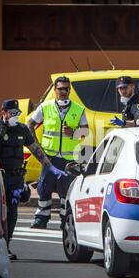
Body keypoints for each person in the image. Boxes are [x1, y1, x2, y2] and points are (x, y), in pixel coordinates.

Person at [0, 99, 66, 260]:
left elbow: (35, 149)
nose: (15, 116)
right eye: (12, 113)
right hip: (0, 177)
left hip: (16, 177)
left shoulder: (22, 129)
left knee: (12, 211)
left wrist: (50, 167)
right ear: (3, 112)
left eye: (17, 113)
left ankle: (6, 245)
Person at [27, 76, 89, 229]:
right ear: (55, 90)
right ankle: (41, 219)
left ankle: (65, 221)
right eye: (60, 89)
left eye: (67, 89)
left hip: (69, 159)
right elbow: (30, 124)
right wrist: (37, 146)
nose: (64, 92)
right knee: (44, 188)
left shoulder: (78, 109)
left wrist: (73, 132)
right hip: (49, 156)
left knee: (66, 192)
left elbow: (85, 132)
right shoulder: (45, 107)